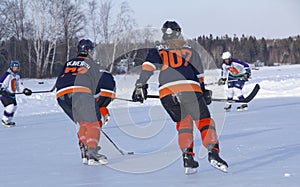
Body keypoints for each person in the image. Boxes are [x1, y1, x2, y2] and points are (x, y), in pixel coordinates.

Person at [132, 21, 228, 174]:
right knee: (204, 121)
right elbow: (199, 76)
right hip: (190, 89)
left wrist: (140, 85)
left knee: (184, 123)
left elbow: (148, 67)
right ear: (179, 33)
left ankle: (187, 158)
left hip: (166, 93)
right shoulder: (191, 50)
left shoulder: (157, 49)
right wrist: (202, 92)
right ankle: (213, 152)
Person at [55, 39, 110, 166]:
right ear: (89, 51)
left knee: (83, 123)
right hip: (80, 92)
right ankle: (92, 152)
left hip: (61, 96)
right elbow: (96, 88)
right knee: (93, 123)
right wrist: (96, 102)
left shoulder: (68, 62)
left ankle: (85, 151)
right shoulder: (91, 63)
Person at [0, 61, 32, 127]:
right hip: (5, 94)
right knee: (10, 106)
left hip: (12, 95)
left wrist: (24, 90)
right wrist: (2, 90)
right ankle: (4, 120)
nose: (16, 69)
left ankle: (9, 120)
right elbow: (1, 83)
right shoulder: (7, 75)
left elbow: (19, 86)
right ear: (11, 67)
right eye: (14, 67)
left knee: (14, 107)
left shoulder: (17, 76)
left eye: (17, 68)